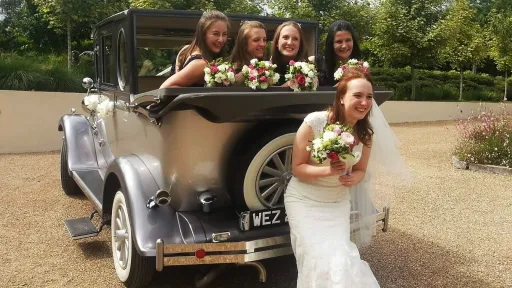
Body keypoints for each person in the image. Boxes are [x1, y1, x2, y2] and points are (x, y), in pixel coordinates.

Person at [284, 66, 410, 287]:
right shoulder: (315, 122)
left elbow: (360, 169)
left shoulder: (365, 134)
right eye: (358, 96)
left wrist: (355, 178)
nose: (365, 102)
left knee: (340, 258)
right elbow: (298, 168)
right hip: (304, 200)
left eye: (369, 97)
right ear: (341, 98)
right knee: (315, 257)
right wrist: (329, 170)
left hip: (336, 203)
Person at [160, 11, 229, 88]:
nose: (221, 39)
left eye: (224, 34)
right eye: (215, 34)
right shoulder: (200, 64)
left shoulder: (187, 49)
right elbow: (165, 88)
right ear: (203, 34)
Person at [309, 20, 362, 86]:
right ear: (331, 44)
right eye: (339, 41)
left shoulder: (360, 68)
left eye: (348, 40)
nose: (344, 46)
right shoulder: (314, 63)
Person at [270, 21, 308, 86]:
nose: (290, 42)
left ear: (300, 44)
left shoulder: (309, 70)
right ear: (277, 42)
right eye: (285, 37)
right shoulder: (265, 70)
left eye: (295, 39)